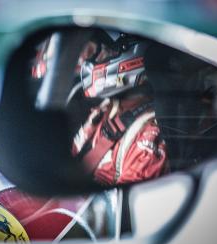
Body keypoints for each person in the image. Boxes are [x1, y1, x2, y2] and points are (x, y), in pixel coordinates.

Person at [71, 32, 169, 185]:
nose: (92, 62)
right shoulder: (105, 108)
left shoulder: (148, 133)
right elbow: (73, 155)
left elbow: (127, 200)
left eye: (106, 52)